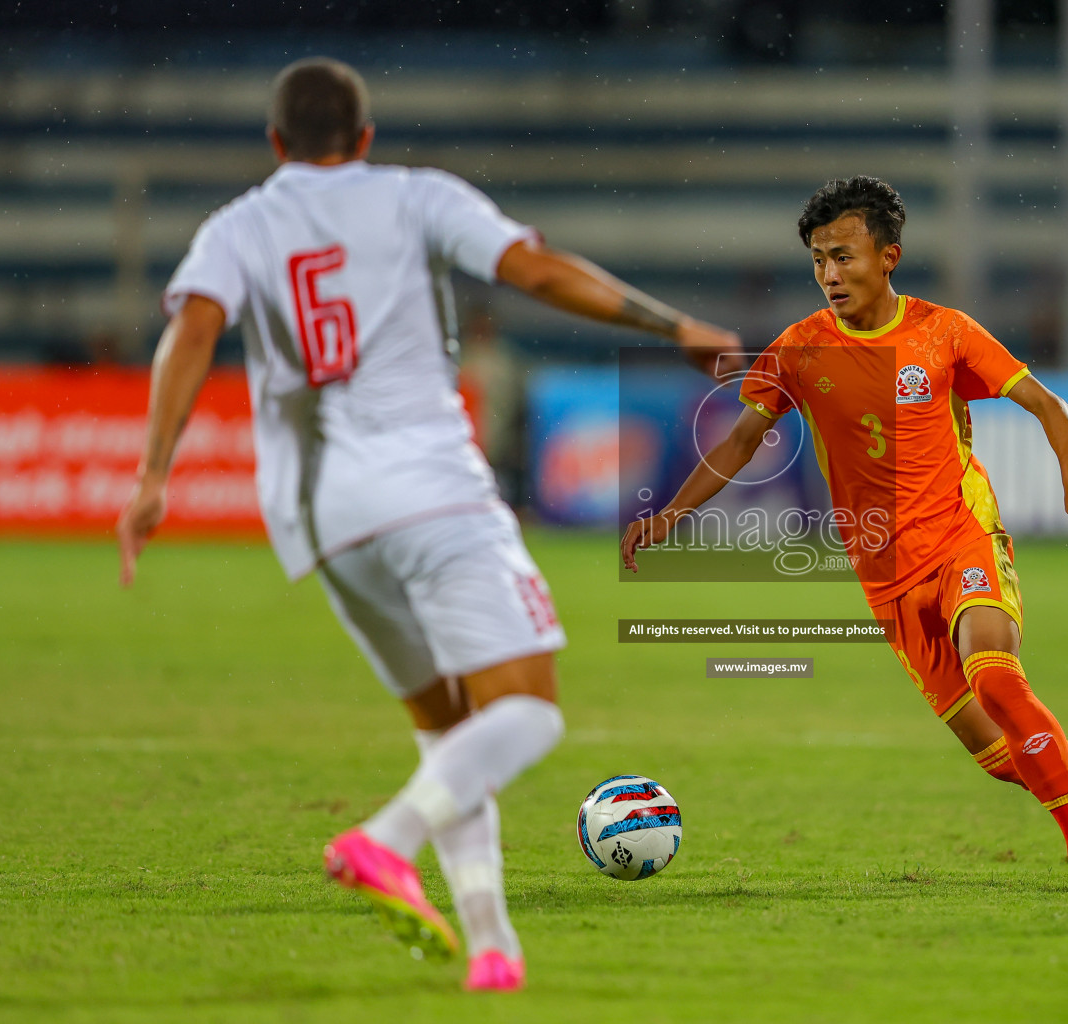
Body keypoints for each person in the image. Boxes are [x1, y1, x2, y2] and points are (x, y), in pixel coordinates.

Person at [116, 57, 739, 991]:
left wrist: (152, 474)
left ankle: (493, 947)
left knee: (448, 738)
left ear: (278, 144)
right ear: (365, 138)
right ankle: (384, 839)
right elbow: (533, 269)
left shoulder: (236, 227)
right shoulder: (413, 197)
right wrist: (673, 324)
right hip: (430, 488)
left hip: (323, 519)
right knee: (526, 712)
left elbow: (193, 330)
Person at [620, 175, 1068, 891]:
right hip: (885, 576)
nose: (829, 275)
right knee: (999, 757)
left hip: (962, 534)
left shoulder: (946, 333)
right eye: (818, 260)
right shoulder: (800, 350)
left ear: (889, 255)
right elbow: (743, 439)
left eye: (844, 256)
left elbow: (1046, 403)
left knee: (995, 678)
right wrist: (672, 514)